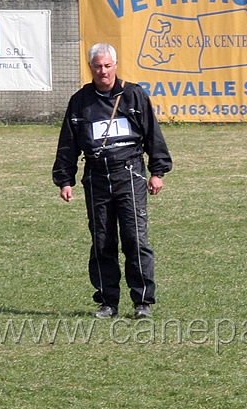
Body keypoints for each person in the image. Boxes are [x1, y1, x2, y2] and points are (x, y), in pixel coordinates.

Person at [53, 43, 172, 319]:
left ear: (115, 65)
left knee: (135, 239)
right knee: (102, 240)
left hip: (129, 174)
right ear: (91, 67)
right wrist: (64, 179)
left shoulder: (134, 95)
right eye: (97, 66)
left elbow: (153, 134)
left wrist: (157, 171)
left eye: (107, 66)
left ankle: (142, 302)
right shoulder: (80, 101)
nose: (103, 71)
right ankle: (108, 302)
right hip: (95, 177)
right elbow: (68, 144)